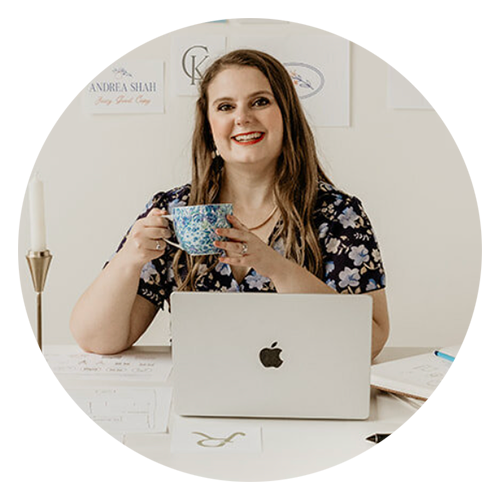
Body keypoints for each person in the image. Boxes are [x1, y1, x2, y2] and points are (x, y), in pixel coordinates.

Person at [70, 49, 389, 359]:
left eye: (260, 102)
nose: (243, 117)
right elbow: (98, 340)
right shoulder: (175, 211)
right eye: (225, 107)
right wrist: (128, 259)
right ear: (209, 129)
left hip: (304, 404)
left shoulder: (338, 214)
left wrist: (274, 266)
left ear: (286, 117)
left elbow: (370, 341)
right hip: (195, 405)